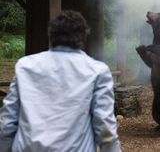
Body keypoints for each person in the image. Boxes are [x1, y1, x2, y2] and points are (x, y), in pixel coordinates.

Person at [0, 10, 121, 152]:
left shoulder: (25, 66)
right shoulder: (97, 71)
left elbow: (7, 122)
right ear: (83, 37)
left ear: (50, 36)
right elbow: (105, 127)